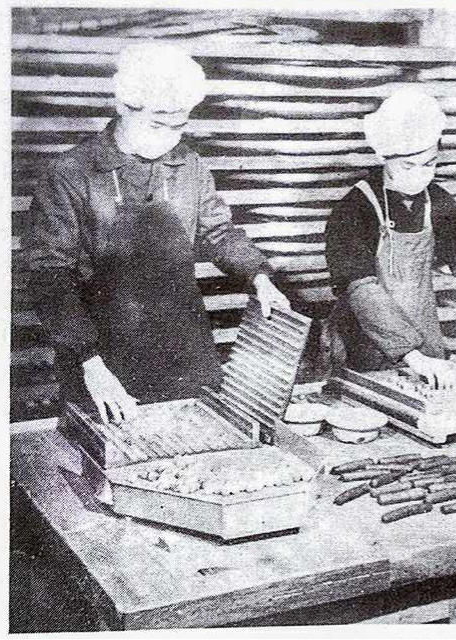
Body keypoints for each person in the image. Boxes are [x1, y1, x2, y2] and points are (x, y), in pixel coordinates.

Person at [25, 42, 289, 424]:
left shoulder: (189, 165)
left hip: (184, 345)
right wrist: (89, 361)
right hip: (101, 352)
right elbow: (50, 275)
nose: (168, 137)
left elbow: (218, 232)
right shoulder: (71, 174)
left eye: (178, 126)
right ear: (123, 107)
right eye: (155, 124)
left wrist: (259, 276)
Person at [324, 88, 456, 389]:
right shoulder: (354, 208)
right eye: (408, 166)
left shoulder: (438, 200)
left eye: (430, 163)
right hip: (365, 342)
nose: (421, 174)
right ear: (385, 158)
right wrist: (411, 354)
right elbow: (360, 289)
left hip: (423, 334)